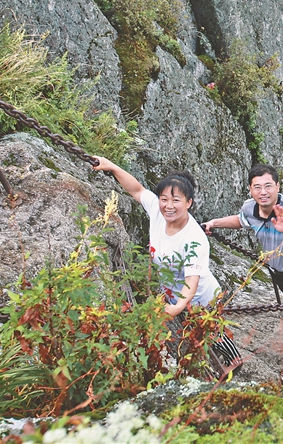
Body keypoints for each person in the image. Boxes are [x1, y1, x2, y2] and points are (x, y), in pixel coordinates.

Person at [91, 157, 241, 369]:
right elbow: (137, 190)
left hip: (200, 298)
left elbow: (192, 280)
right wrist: (112, 166)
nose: (168, 206)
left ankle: (235, 361)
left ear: (189, 203)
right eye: (164, 199)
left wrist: (179, 306)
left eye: (176, 200)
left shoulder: (194, 239)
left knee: (214, 332)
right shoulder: (158, 213)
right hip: (172, 292)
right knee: (193, 333)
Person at [203, 164, 283, 362]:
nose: (263, 192)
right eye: (257, 187)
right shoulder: (250, 208)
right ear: (250, 189)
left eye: (268, 186)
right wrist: (214, 223)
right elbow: (240, 221)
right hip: (278, 271)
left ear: (277, 186)